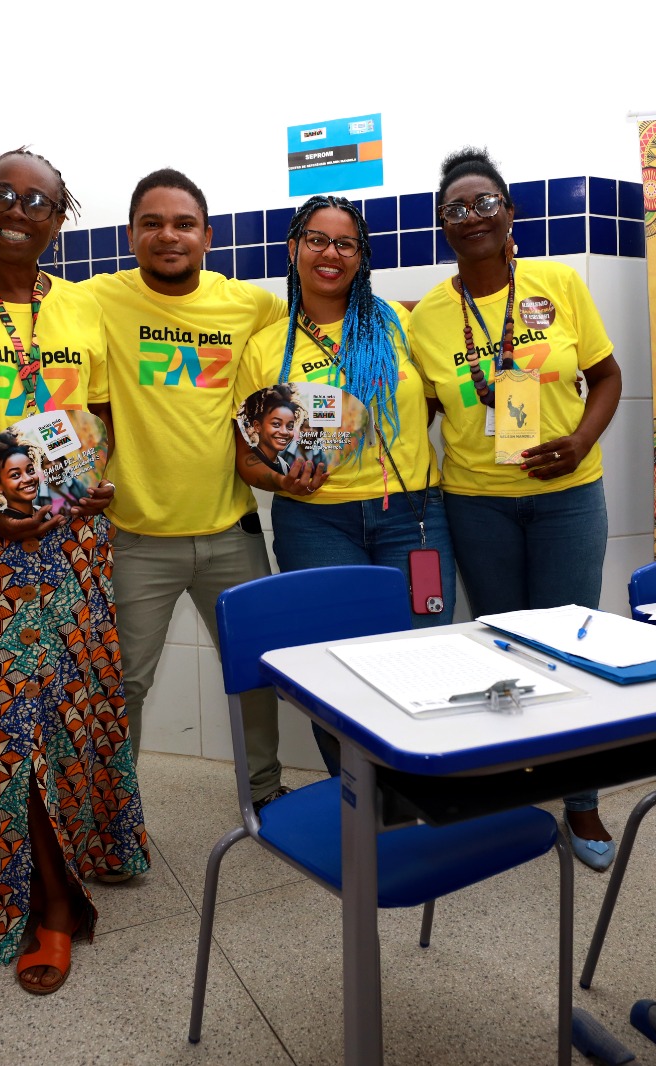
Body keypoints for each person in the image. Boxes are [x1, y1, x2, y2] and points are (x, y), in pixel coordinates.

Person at [0, 148, 148, 996]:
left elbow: (100, 411)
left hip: (73, 537)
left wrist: (89, 479)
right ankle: (43, 898)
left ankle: (96, 847)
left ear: (58, 217)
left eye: (38, 199)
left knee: (76, 707)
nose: (19, 208)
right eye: (2, 193)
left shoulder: (81, 308)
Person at [409, 148, 623, 871]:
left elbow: (605, 376)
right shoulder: (429, 317)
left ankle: (582, 798)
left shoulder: (559, 283)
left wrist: (581, 438)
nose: (472, 217)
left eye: (485, 203)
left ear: (511, 214)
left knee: (568, 645)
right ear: (443, 227)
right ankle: (513, 783)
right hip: (477, 504)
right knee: (502, 644)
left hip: (568, 497)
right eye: (456, 209)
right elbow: (424, 411)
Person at [83, 169, 290, 811]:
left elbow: (321, 323)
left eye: (182, 224)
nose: (167, 235)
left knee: (255, 674)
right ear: (130, 235)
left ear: (207, 236)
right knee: (122, 687)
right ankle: (115, 817)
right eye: (152, 223)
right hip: (135, 539)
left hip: (232, 532)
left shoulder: (250, 305)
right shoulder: (93, 299)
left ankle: (264, 792)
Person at [236, 194, 458, 774]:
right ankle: (354, 803)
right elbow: (248, 462)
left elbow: (431, 403)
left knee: (424, 657)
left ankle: (419, 793)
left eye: (345, 243)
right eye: (317, 240)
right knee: (334, 670)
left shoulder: (395, 322)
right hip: (316, 524)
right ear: (293, 248)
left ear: (361, 257)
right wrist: (288, 481)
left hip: (413, 518)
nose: (330, 254)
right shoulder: (266, 348)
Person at [241, 383, 303, 474]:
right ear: (257, 426)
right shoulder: (248, 459)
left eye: (290, 426)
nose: (284, 432)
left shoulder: (284, 467)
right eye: (276, 424)